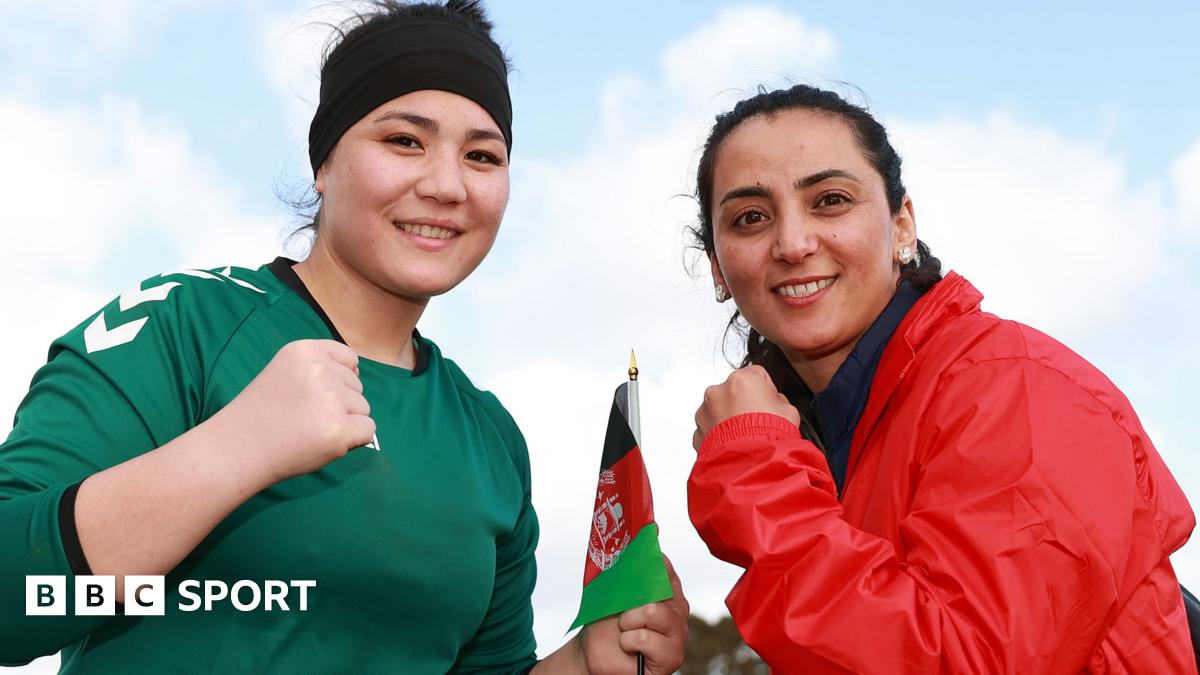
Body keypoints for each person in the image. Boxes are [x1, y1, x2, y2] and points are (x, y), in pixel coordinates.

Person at [0, 1, 688, 672]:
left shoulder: (490, 437)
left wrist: (584, 663)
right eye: (404, 141)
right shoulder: (183, 324)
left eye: (483, 155)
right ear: (323, 163)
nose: (447, 185)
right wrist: (230, 452)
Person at [686, 84, 1197, 673]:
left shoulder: (1010, 386)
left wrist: (756, 471)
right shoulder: (812, 434)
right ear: (719, 267)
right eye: (750, 218)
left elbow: (969, 660)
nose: (793, 244)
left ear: (902, 226)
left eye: (830, 200)